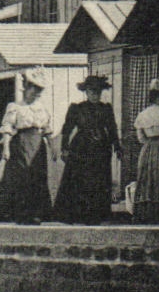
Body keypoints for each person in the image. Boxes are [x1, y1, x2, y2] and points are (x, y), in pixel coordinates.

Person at [52, 74, 123, 225]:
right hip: (81, 148)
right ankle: (78, 214)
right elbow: (67, 129)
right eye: (92, 92)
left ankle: (96, 215)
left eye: (98, 92)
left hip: (101, 148)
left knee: (98, 181)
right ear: (86, 92)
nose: (95, 95)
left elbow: (112, 129)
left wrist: (117, 146)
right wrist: (64, 148)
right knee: (81, 180)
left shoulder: (106, 109)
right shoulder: (77, 108)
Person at [0, 66, 57, 225]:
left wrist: (53, 148)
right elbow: (8, 129)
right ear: (27, 89)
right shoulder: (15, 107)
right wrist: (6, 148)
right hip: (21, 144)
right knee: (22, 178)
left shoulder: (41, 108)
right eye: (34, 90)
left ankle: (37, 213)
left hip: (38, 145)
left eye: (39, 92)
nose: (36, 94)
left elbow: (47, 130)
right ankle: (22, 214)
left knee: (37, 177)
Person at [135, 78, 159, 224]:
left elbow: (140, 137)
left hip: (146, 148)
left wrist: (149, 143)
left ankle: (146, 213)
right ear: (158, 98)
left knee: (147, 178)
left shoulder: (142, 114)